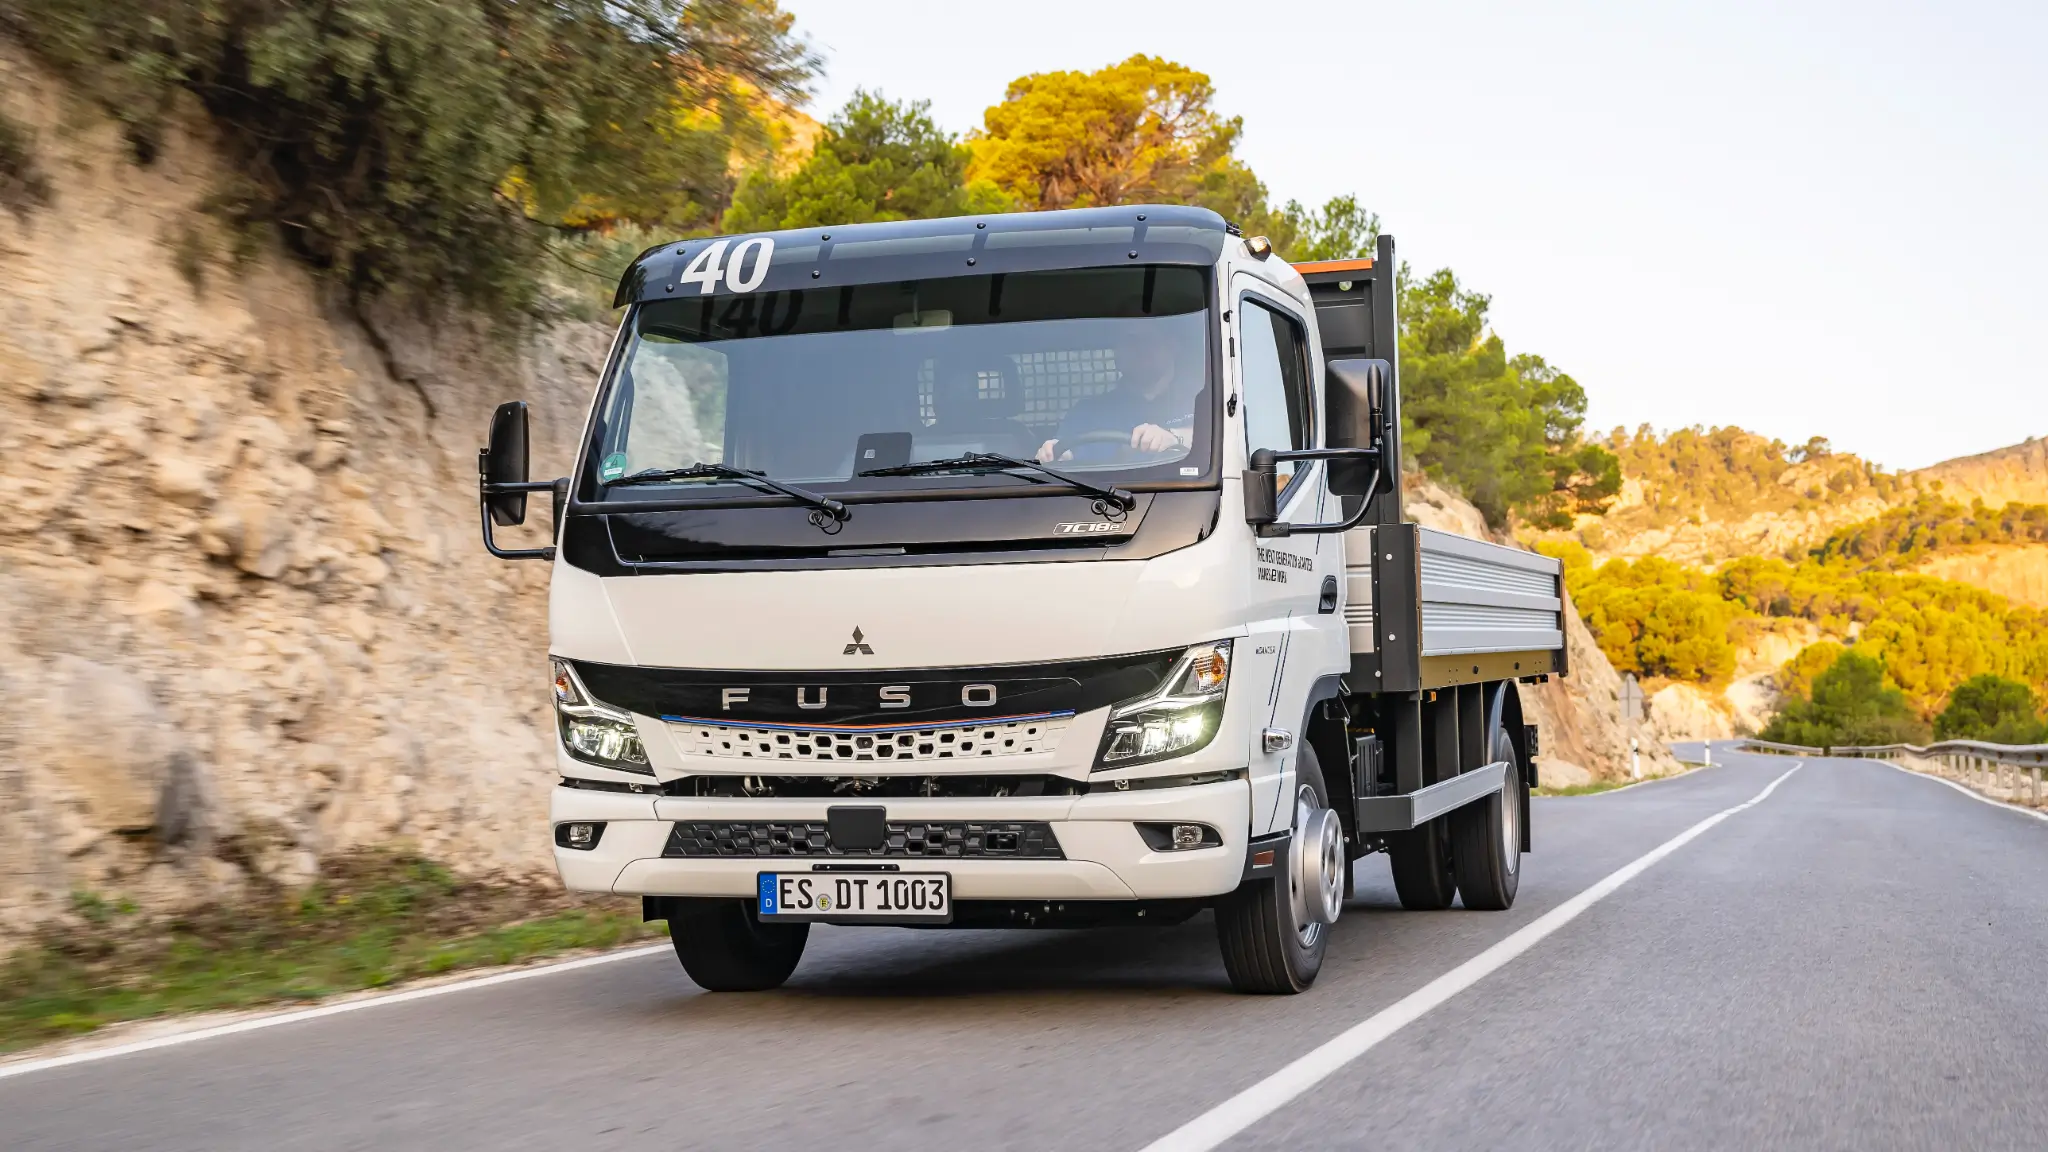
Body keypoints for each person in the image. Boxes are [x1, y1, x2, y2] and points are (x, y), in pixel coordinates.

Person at [1035, 336, 1197, 464]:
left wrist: (1175, 437)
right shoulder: (1086, 412)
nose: (1138, 349)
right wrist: (1050, 454)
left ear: (1173, 345)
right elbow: (1064, 458)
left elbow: (1215, 442)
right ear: (1117, 353)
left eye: (1147, 339)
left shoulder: (1202, 398)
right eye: (1129, 340)